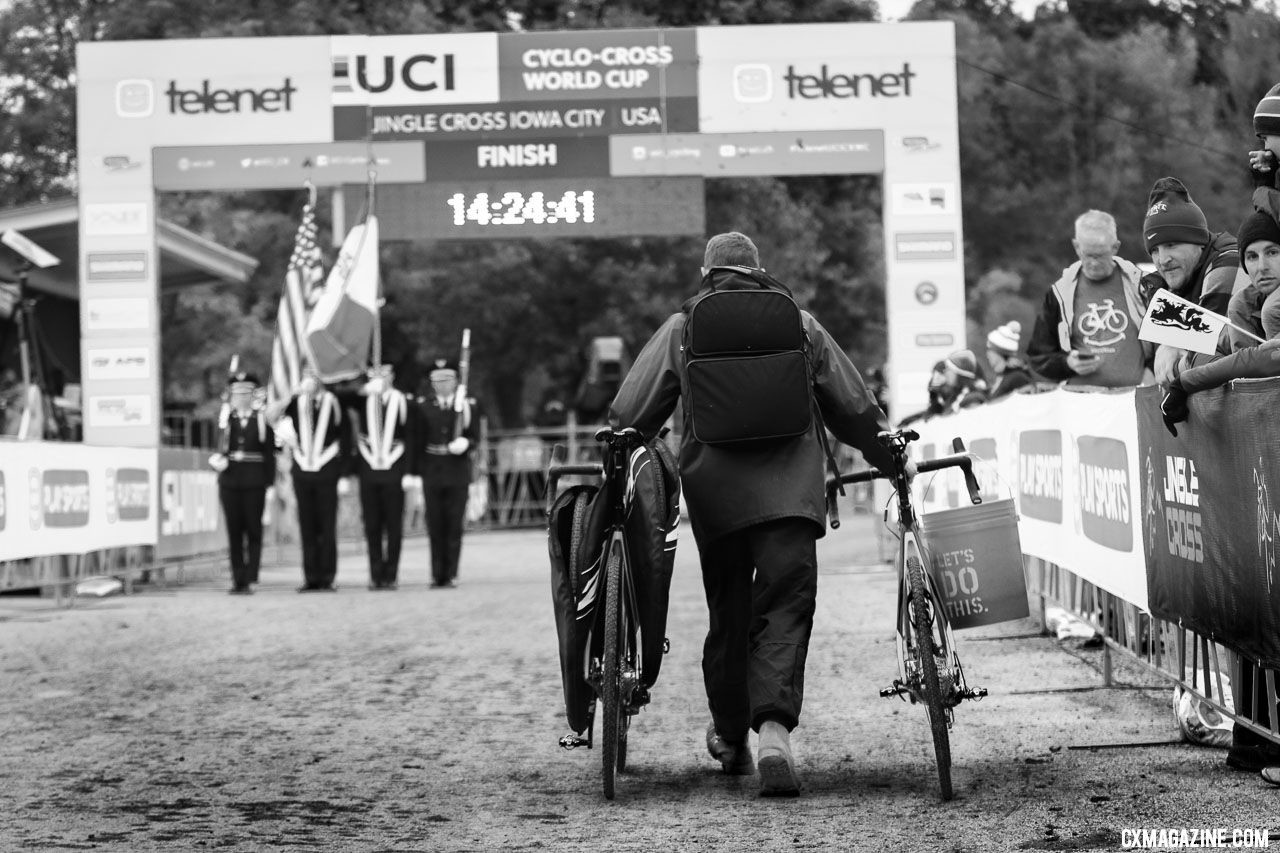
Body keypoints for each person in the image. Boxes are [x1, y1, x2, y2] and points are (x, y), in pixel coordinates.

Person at [608, 231, 904, 797]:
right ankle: (772, 732)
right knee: (787, 608)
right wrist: (888, 461)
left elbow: (632, 412)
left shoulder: (682, 327)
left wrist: (616, 455)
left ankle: (731, 740)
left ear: (706, 271)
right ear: (759, 270)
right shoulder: (800, 323)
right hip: (791, 494)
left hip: (716, 497)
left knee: (729, 616)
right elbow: (852, 406)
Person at [1138, 177, 1249, 386]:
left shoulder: (1230, 260)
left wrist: (1170, 341)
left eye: (1171, 244)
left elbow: (1208, 340)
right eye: (1154, 250)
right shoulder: (1166, 282)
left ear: (1198, 241)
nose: (1162, 260)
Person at [1027, 210, 1154, 387]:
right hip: (1080, 403)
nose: (1094, 262)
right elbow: (1038, 356)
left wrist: (1151, 371)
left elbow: (1166, 340)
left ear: (1115, 247)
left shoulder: (1142, 286)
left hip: (1133, 399)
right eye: (1088, 255)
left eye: (1100, 255)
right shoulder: (1059, 293)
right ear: (1077, 247)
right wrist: (1067, 363)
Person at [345, 364, 416, 591]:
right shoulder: (364, 399)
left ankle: (391, 574)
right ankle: (375, 575)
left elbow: (412, 436)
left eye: (384, 374)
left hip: (394, 469)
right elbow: (340, 398)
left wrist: (410, 472)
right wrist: (364, 390)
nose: (380, 379)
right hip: (369, 470)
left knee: (393, 526)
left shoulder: (403, 400)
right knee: (372, 526)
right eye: (375, 374)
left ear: (392, 376)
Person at [279, 366, 347, 592]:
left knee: (326, 526)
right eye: (307, 375)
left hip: (327, 468)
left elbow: (345, 435)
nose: (310, 380)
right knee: (307, 526)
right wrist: (292, 394)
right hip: (302, 470)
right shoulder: (296, 402)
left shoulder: (333, 401)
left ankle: (328, 576)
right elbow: (272, 416)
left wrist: (344, 472)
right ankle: (310, 577)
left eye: (314, 375)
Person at [208, 371, 276, 594]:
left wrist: (270, 483)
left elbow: (268, 454)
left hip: (254, 481)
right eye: (237, 394)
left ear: (252, 395)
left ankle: (251, 574)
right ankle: (238, 578)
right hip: (230, 482)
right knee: (234, 531)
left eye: (246, 393)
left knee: (253, 530)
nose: (241, 398)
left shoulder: (262, 420)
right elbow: (220, 448)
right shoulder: (226, 420)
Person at [415, 356, 480, 589]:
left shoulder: (466, 405)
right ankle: (436, 574)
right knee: (435, 523)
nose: (443, 384)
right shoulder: (423, 406)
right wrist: (413, 473)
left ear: (455, 381)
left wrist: (466, 443)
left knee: (454, 523)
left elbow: (475, 437)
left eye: (448, 379)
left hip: (457, 469)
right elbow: (417, 440)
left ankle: (451, 572)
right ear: (432, 383)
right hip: (432, 468)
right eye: (438, 380)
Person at [984, 321, 1035, 400]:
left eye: (990, 350)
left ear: (999, 353)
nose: (987, 355)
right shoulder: (1003, 377)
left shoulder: (1017, 378)